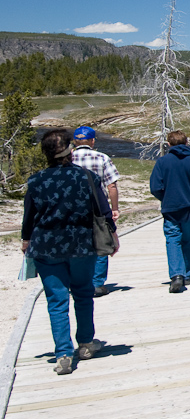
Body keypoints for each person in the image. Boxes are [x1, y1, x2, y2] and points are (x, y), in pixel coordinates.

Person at [22, 129, 115, 374]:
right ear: (70, 152)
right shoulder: (87, 178)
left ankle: (63, 352)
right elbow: (103, 210)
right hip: (81, 244)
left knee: (56, 300)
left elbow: (29, 217)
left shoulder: (36, 180)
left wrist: (25, 240)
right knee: (83, 293)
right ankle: (85, 343)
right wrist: (112, 236)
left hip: (46, 246)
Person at [150, 131, 190, 293]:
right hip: (188, 206)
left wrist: (164, 197)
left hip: (170, 207)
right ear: (187, 143)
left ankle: (176, 275)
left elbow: (155, 187)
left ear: (168, 145)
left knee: (173, 239)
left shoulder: (162, 162)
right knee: (188, 239)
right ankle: (187, 274)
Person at [70, 126, 120, 298]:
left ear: (75, 141)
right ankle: (97, 283)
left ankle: (78, 279)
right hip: (97, 205)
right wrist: (114, 208)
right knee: (100, 240)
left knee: (76, 242)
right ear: (92, 141)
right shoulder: (102, 158)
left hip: (72, 207)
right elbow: (111, 185)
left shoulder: (68, 158)